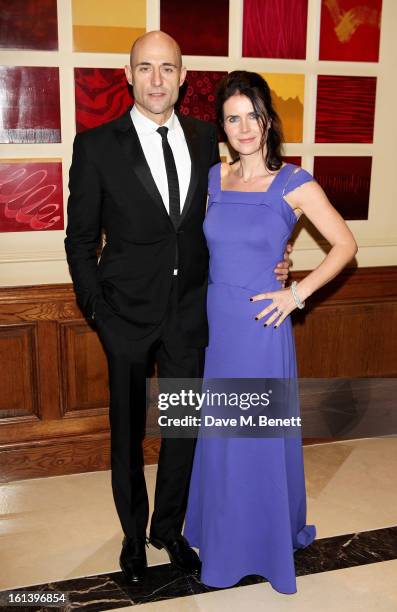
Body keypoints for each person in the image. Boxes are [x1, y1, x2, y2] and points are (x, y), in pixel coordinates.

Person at [65, 33, 290, 583]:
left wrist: (276, 263)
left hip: (190, 317)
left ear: (183, 77)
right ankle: (132, 539)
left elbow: (235, 217)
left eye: (168, 68)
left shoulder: (203, 138)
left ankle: (168, 529)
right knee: (126, 434)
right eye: (146, 68)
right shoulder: (96, 146)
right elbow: (80, 240)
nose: (158, 79)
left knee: (184, 428)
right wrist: (98, 311)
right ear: (129, 74)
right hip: (124, 318)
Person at [184, 71, 358, 594]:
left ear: (267, 120)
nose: (243, 127)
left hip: (262, 327)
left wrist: (296, 293)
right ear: (223, 125)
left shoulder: (294, 182)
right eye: (232, 118)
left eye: (252, 116)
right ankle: (222, 530)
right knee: (223, 432)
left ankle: (259, 541)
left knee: (256, 437)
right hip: (217, 328)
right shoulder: (215, 179)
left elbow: (346, 246)